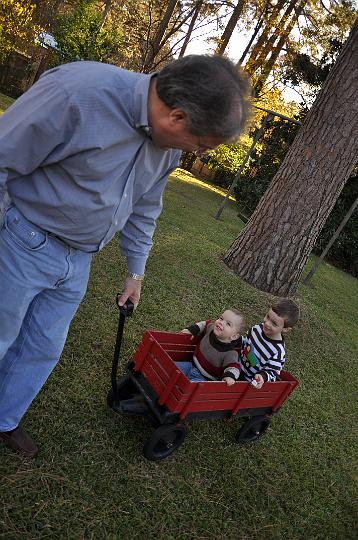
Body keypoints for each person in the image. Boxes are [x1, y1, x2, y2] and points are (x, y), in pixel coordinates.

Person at [0, 55, 251, 457]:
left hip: (77, 260)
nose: (198, 155)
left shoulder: (167, 148)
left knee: (42, 346)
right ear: (177, 116)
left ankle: (4, 418)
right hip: (21, 238)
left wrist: (136, 274)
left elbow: (145, 207)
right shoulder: (79, 91)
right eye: (201, 146)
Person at [240, 299, 300, 389]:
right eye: (268, 317)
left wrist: (262, 376)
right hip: (236, 366)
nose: (267, 323)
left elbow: (273, 372)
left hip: (248, 382)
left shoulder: (277, 351)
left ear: (285, 329)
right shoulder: (257, 329)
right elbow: (245, 343)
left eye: (274, 323)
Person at [178, 309, 245, 385]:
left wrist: (230, 376)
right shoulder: (211, 329)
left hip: (204, 379)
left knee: (190, 387)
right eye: (221, 318)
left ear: (234, 336)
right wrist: (193, 329)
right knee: (172, 368)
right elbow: (205, 324)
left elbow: (234, 367)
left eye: (228, 324)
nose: (221, 322)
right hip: (191, 365)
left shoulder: (230, 353)